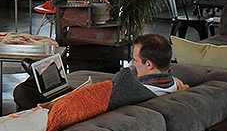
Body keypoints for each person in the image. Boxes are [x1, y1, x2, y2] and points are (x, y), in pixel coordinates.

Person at [12, 34, 189, 111]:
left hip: (67, 110)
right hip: (85, 99)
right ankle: (37, 73)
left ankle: (36, 73)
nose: (133, 65)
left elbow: (89, 104)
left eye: (135, 60)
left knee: (22, 91)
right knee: (51, 83)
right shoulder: (172, 83)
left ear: (149, 64)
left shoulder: (127, 87)